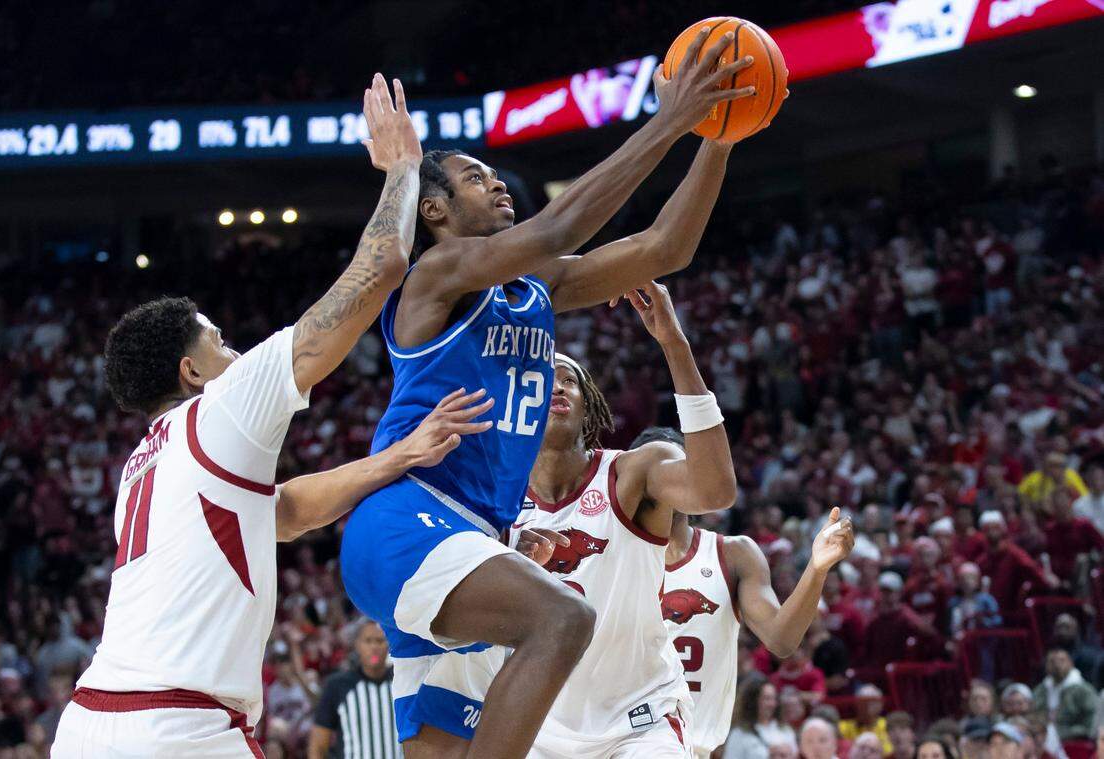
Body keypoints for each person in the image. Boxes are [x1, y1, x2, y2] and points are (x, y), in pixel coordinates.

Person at [340, 29, 759, 759]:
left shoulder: (538, 286)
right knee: (564, 619)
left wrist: (716, 140)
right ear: (434, 212)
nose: (498, 182)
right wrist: (671, 119)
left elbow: (665, 249)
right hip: (407, 521)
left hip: (471, 540)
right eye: (476, 178)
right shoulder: (432, 280)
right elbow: (561, 224)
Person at [51, 76, 490, 758]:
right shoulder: (223, 404)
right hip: (179, 726)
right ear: (190, 370)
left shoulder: (146, 464)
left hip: (90, 723)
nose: (234, 350)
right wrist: (403, 169)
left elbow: (280, 514)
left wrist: (395, 458)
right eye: (219, 341)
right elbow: (377, 272)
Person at [512, 281, 739, 758]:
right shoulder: (494, 498)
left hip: (640, 719)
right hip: (538, 727)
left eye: (569, 379)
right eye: (540, 376)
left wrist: (673, 343)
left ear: (587, 401)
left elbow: (716, 488)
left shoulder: (632, 472)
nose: (556, 384)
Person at [663, 432, 855, 758]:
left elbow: (782, 639)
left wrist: (817, 568)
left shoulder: (731, 554)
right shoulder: (613, 555)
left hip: (696, 746)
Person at [309, 619, 399, 759]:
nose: (374, 647)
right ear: (357, 645)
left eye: (380, 641)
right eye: (368, 641)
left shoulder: (400, 684)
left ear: (389, 645)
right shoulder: (337, 685)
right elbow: (318, 746)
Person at [975, 511, 1057, 613]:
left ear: (1002, 529)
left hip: (1013, 612)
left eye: (995, 528)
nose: (992, 532)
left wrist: (1046, 581)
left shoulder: (1014, 554)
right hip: (990, 614)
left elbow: (1031, 569)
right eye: (987, 529)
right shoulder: (982, 561)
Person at [1033, 647, 1098, 740]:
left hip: (1074, 741)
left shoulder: (1084, 690)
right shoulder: (1040, 690)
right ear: (1046, 665)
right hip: (1042, 739)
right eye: (1052, 661)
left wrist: (1064, 732)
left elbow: (1091, 723)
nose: (1056, 665)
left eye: (1061, 660)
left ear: (1071, 663)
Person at [722, 675, 774, 759]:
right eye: (766, 699)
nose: (771, 704)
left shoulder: (785, 730)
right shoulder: (739, 734)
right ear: (753, 701)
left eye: (773, 698)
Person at [949, 562, 1002, 637]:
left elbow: (997, 621)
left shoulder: (986, 600)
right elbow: (947, 625)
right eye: (963, 578)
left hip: (982, 639)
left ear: (978, 581)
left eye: (971, 578)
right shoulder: (954, 602)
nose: (967, 582)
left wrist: (983, 621)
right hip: (960, 640)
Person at [839, 685, 892, 754]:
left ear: (881, 705)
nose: (867, 707)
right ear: (857, 705)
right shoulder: (843, 727)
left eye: (872, 702)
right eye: (863, 703)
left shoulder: (888, 725)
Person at [1072, 464, 1104, 534]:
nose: (1097, 482)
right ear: (1088, 480)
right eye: (1095, 479)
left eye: (1100, 478)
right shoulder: (1078, 505)